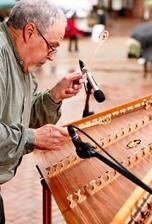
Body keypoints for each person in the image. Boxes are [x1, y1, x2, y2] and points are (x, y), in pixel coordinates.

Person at [0, 0, 84, 223]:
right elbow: (30, 131)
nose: (52, 56)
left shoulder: (21, 62)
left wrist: (54, 95)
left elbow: (27, 117)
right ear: (29, 31)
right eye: (52, 46)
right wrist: (33, 137)